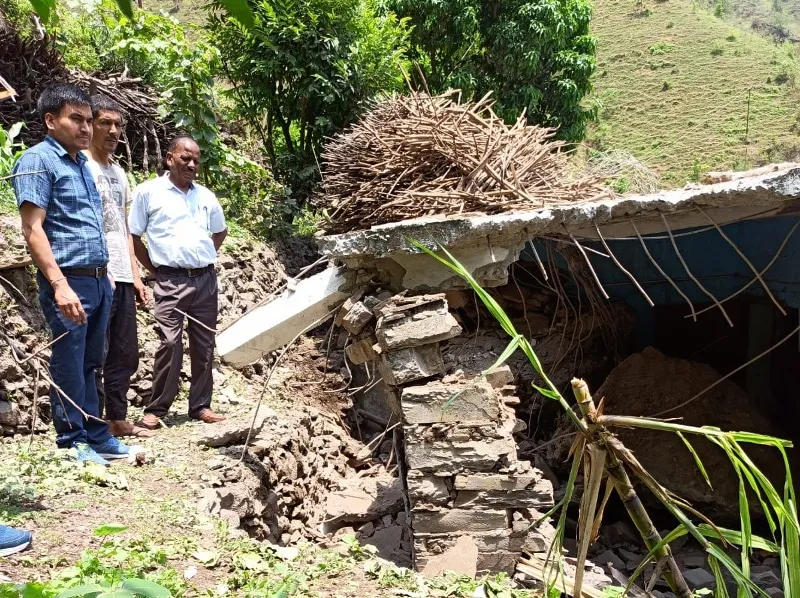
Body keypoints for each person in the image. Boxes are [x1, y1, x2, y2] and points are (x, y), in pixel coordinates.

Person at [11, 83, 130, 465]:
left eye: (88, 120)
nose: (85, 128)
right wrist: (60, 285)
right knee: (69, 359)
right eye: (75, 119)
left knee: (93, 359)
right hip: (69, 280)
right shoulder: (38, 161)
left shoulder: (81, 165)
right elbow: (33, 229)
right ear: (50, 120)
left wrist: (105, 275)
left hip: (98, 279)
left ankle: (97, 435)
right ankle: (71, 440)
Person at [129, 135, 228, 430]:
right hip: (170, 280)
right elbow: (133, 237)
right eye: (185, 158)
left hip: (205, 280)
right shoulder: (149, 192)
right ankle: (157, 408)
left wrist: (202, 256)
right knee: (169, 342)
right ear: (170, 158)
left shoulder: (206, 196)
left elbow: (220, 232)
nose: (192, 164)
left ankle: (200, 406)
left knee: (204, 344)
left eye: (196, 159)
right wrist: (155, 270)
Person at [84, 95, 154, 439]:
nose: (113, 131)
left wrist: (136, 275)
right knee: (96, 350)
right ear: (90, 124)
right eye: (105, 123)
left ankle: (117, 417)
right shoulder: (82, 166)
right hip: (96, 273)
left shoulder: (118, 171)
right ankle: (93, 421)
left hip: (123, 275)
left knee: (125, 352)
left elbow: (124, 227)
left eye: (118, 125)